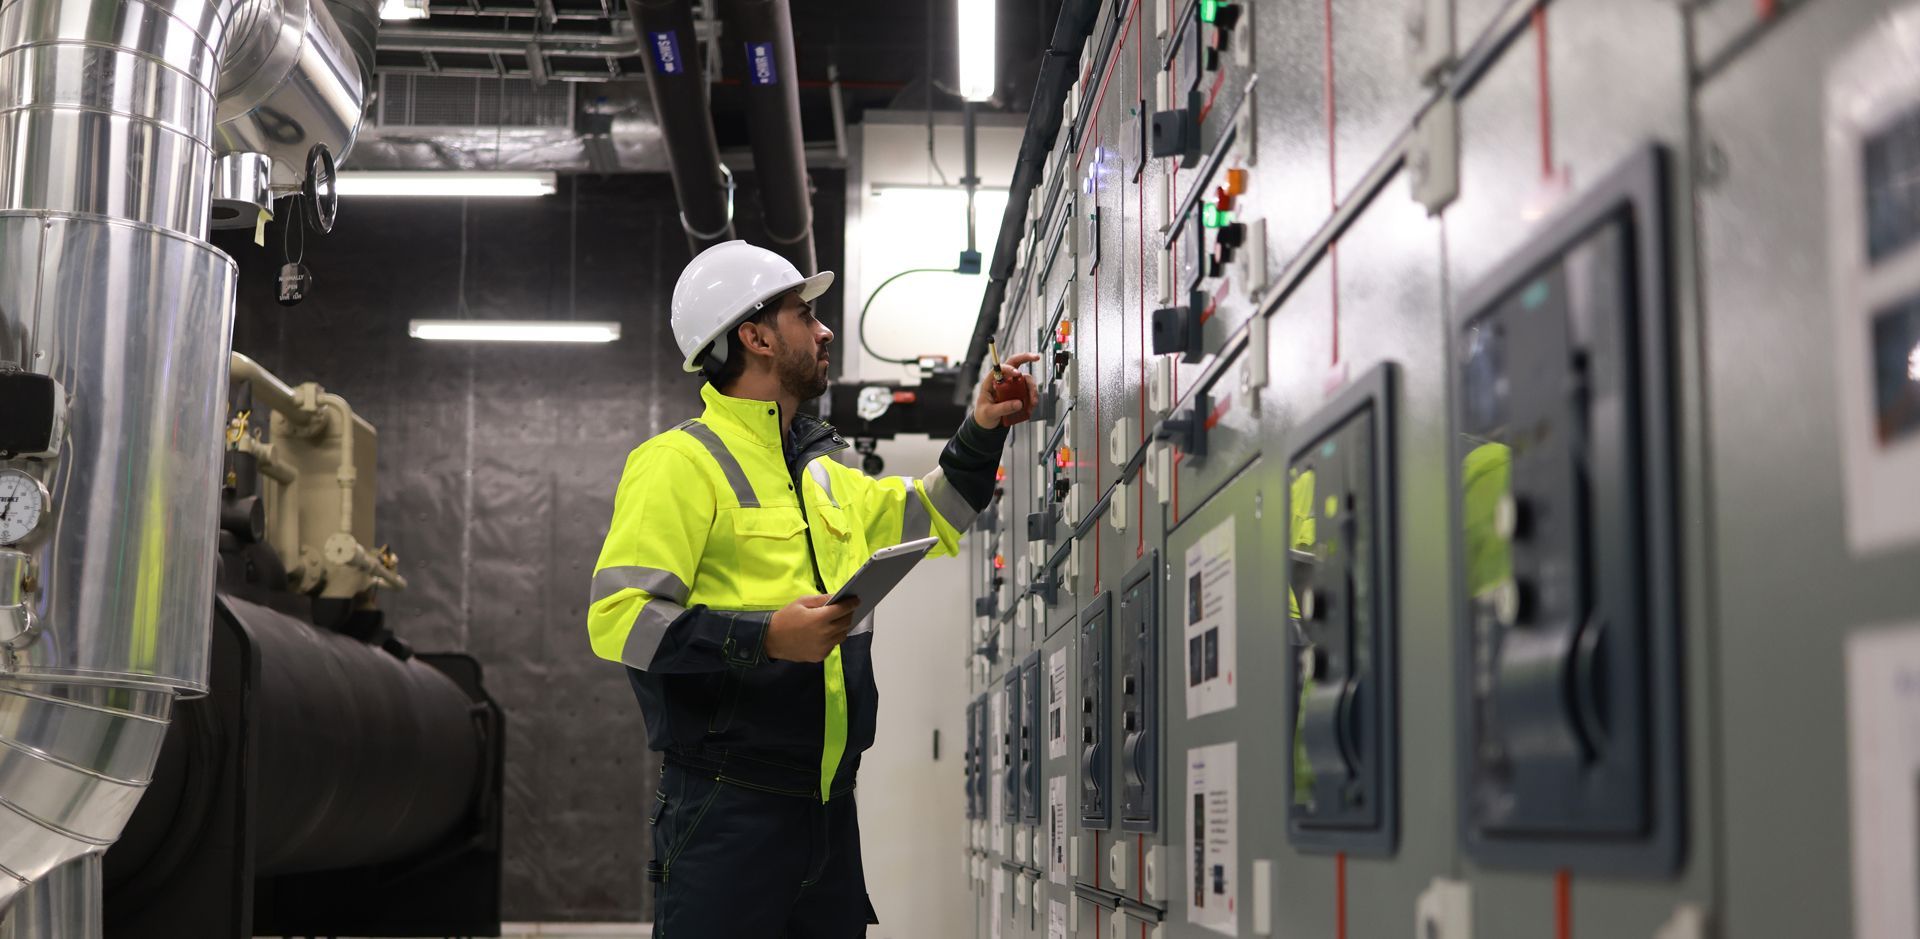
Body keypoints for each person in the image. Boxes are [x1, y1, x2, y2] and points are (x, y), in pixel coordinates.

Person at [586, 240, 1037, 938]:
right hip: (725, 809)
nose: (824, 330)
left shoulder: (825, 472)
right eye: (805, 313)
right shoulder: (678, 462)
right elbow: (620, 619)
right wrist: (764, 635)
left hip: (826, 810)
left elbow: (936, 512)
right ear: (756, 336)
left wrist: (981, 427)